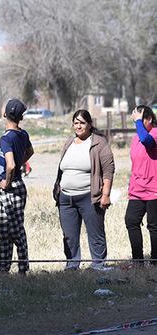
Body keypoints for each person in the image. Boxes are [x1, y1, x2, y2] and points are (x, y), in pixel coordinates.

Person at [53, 110, 114, 271]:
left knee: (95, 233)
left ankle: (98, 264)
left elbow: (108, 170)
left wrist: (106, 194)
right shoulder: (69, 142)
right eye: (76, 123)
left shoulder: (98, 143)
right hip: (66, 199)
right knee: (69, 236)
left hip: (89, 197)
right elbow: (62, 168)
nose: (79, 126)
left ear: (89, 124)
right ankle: (72, 265)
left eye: (82, 123)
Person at [0, 99, 34, 275]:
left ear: (5, 114)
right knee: (4, 228)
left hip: (11, 186)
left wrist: (7, 181)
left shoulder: (6, 139)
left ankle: (22, 269)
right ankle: (3, 268)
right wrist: (21, 163)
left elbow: (9, 165)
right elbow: (30, 152)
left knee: (16, 229)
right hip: (18, 185)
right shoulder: (22, 134)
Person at [126, 105, 157, 265]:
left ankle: (155, 261)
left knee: (154, 226)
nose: (136, 123)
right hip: (137, 190)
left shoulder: (155, 133)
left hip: (154, 190)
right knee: (131, 221)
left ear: (149, 119)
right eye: (135, 119)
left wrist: (138, 121)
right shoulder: (135, 138)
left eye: (140, 119)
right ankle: (138, 261)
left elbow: (147, 141)